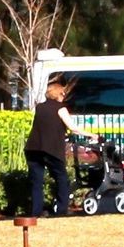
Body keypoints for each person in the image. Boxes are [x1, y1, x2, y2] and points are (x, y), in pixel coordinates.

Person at [22, 73, 77, 228]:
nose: (64, 95)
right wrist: (92, 134)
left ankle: (36, 212)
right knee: (61, 178)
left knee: (36, 181)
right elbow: (72, 128)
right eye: (63, 93)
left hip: (33, 149)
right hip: (51, 149)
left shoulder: (39, 108)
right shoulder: (61, 109)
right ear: (58, 93)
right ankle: (61, 209)